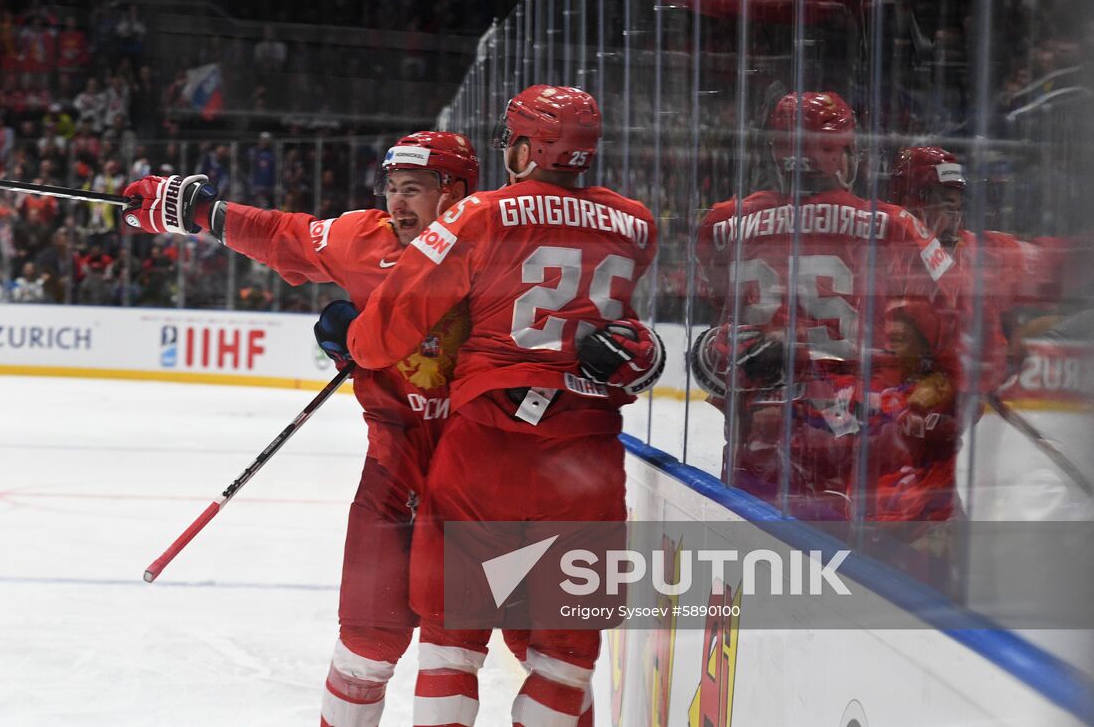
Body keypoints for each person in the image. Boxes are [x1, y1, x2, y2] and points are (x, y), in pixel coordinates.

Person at [318, 86, 663, 727]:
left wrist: (357, 340)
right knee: (565, 659)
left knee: (451, 637)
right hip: (586, 453)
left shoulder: (480, 213)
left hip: (487, 444)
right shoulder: (638, 222)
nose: (508, 150)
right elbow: (623, 334)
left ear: (531, 147)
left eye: (512, 139)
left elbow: (390, 327)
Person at [121, 131, 480, 727]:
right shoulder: (366, 238)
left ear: (457, 192)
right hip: (393, 465)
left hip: (475, 472)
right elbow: (282, 233)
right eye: (392, 189)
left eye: (413, 189)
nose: (397, 203)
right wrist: (201, 212)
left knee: (454, 649)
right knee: (365, 642)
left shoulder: (496, 244)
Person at [691, 93, 962, 518]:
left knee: (754, 559)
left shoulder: (721, 223)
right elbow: (957, 313)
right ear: (844, 151)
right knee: (838, 573)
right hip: (852, 434)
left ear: (776, 150)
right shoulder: (896, 225)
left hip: (757, 434)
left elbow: (718, 321)